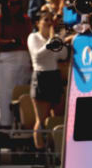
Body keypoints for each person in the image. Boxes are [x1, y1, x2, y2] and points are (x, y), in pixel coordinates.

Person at [27, 10, 70, 153]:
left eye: (51, 20)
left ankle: (55, 148)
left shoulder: (54, 38)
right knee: (41, 118)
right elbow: (37, 56)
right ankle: (39, 151)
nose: (49, 23)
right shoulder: (33, 37)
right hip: (41, 77)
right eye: (45, 20)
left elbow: (63, 55)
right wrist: (51, 43)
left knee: (56, 116)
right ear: (38, 23)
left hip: (55, 77)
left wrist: (59, 41)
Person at [0, 0, 33, 128]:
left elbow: (28, 38)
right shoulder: (1, 19)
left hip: (23, 57)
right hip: (7, 57)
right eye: (10, 3)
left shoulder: (26, 19)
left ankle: (22, 123)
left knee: (21, 91)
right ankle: (6, 124)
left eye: (16, 3)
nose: (13, 6)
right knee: (6, 92)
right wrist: (10, 42)